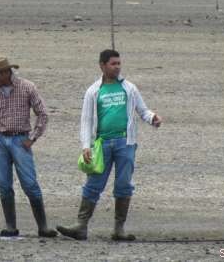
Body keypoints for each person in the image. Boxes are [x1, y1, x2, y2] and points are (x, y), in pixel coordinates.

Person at [57, 49, 162, 241]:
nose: (117, 67)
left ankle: (118, 229)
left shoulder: (129, 88)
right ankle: (81, 226)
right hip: (101, 144)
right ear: (102, 65)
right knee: (94, 184)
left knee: (124, 184)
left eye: (119, 63)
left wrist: (153, 118)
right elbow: (86, 121)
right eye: (113, 64)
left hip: (126, 142)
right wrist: (86, 146)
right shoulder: (93, 91)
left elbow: (143, 110)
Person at [0, 55, 57, 238]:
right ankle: (10, 227)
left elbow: (43, 114)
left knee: (30, 185)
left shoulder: (27, 87)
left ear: (6, 73)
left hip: (20, 140)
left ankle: (43, 227)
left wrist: (32, 138)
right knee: (4, 186)